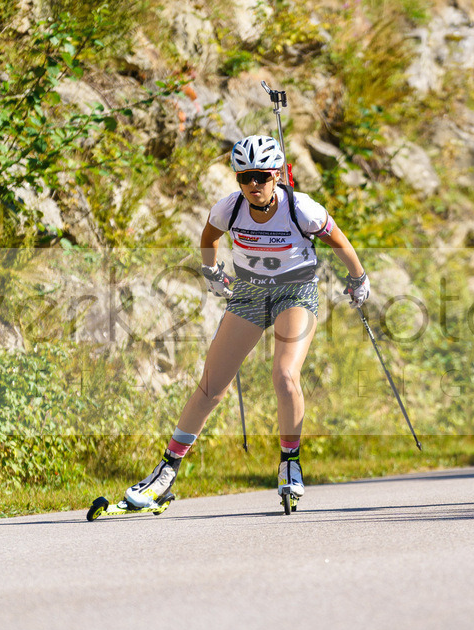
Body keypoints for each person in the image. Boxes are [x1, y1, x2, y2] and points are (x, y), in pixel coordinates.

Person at [124, 134, 370, 508]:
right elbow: (209, 236)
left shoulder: (302, 209)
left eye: (260, 176)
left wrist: (358, 278)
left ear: (276, 175)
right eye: (244, 177)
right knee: (211, 388)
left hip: (295, 292)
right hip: (250, 295)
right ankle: (166, 471)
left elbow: (339, 241)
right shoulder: (229, 208)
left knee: (285, 375)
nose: (253, 185)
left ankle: (290, 464)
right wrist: (211, 271)